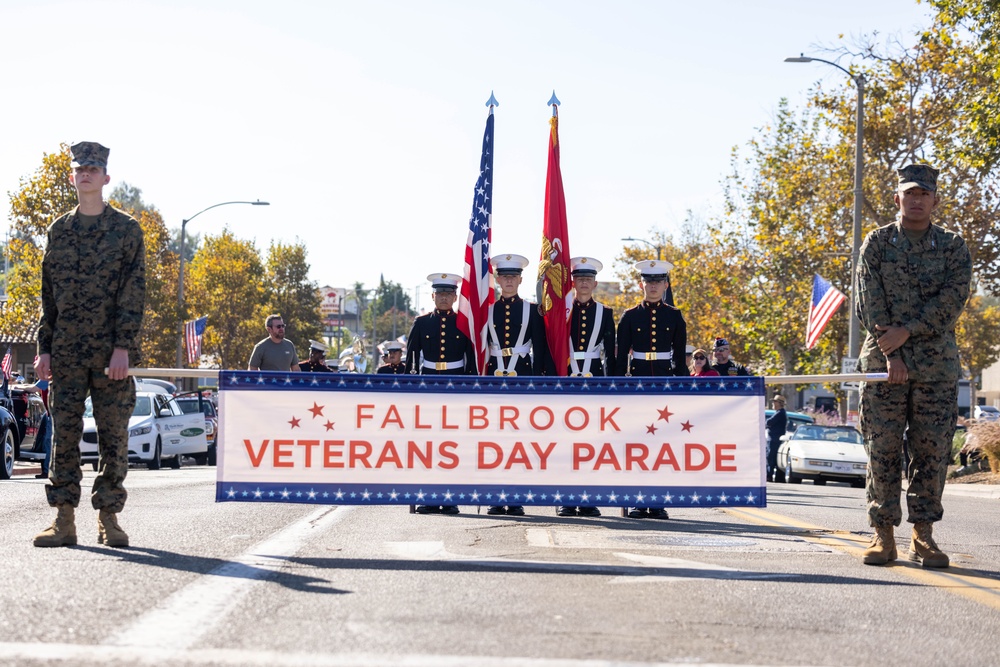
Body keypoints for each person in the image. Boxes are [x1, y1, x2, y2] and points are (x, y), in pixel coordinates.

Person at [856, 164, 972, 568]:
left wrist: (907, 332)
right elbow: (868, 301)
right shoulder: (877, 242)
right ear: (897, 199)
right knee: (882, 450)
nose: (917, 200)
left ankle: (923, 537)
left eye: (924, 194)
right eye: (910, 193)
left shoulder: (953, 247)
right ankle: (882, 534)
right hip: (884, 366)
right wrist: (892, 352)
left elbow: (951, 302)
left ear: (935, 200)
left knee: (932, 453)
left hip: (935, 370)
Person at [33, 141, 146, 548]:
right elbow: (48, 295)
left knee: (113, 437)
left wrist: (123, 346)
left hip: (109, 356)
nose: (86, 174)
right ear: (72, 176)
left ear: (106, 178)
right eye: (80, 168)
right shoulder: (58, 231)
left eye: (93, 169)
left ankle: (109, 518)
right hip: (65, 352)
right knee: (64, 437)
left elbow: (134, 293)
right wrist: (44, 348)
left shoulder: (127, 230)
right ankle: (63, 520)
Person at [616, 259, 688, 519]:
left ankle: (657, 502)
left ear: (666, 285)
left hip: (665, 385)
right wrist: (617, 388)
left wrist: (683, 389)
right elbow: (620, 357)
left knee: (661, 446)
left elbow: (680, 359)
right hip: (637, 384)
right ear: (641, 284)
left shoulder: (675, 315)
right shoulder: (630, 316)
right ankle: (637, 500)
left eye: (658, 282)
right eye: (649, 282)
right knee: (638, 444)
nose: (653, 286)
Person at [486, 253, 552, 516]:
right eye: (504, 276)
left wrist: (535, 382)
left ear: (520, 280)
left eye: (513, 276)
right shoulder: (487, 310)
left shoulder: (532, 310)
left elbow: (540, 348)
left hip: (521, 378)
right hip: (493, 380)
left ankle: (515, 498)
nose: (509, 280)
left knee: (518, 443)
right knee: (493, 441)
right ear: (498, 279)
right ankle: (494, 496)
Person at [405, 272, 475, 515]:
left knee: (453, 444)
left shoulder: (464, 322)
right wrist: (411, 387)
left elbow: (471, 360)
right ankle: (429, 496)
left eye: (449, 294)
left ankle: (451, 496)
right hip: (428, 386)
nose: (444, 298)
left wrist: (469, 387)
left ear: (455, 297)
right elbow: (411, 360)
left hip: (455, 386)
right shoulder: (422, 322)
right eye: (440, 294)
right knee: (428, 443)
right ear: (433, 296)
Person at [559, 256, 616, 518]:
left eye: (588, 279)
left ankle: (589, 498)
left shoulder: (605, 313)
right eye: (579, 278)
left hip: (594, 379)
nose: (583, 282)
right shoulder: (561, 310)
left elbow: (612, 356)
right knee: (566, 442)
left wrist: (613, 385)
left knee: (592, 443)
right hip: (567, 379)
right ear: (573, 281)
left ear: (594, 283)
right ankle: (567, 499)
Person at [765, 395, 788, 482]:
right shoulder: (779, 413)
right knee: (771, 457)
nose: (773, 403)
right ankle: (773, 476)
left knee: (771, 457)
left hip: (774, 440)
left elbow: (769, 422)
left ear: (780, 403)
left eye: (775, 402)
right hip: (774, 439)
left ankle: (769, 476)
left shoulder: (780, 413)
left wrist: (767, 423)